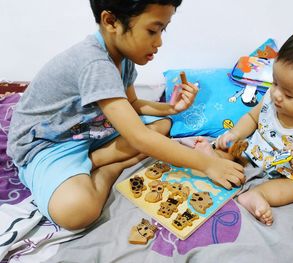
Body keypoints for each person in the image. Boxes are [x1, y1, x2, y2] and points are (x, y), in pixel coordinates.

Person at [7, 0, 244, 230]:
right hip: (49, 144)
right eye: (153, 30)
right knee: (77, 211)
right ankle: (105, 167)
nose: (159, 42)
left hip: (89, 132)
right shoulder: (95, 64)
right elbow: (139, 137)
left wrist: (171, 109)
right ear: (111, 21)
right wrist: (208, 164)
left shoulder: (122, 56)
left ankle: (96, 159)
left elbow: (131, 104)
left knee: (163, 125)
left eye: (163, 30)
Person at [195, 21, 293, 225]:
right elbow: (252, 118)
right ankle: (211, 157)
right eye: (276, 82)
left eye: (288, 94)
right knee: (233, 148)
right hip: (259, 150)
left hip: (292, 171)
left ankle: (257, 195)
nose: (276, 94)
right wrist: (234, 134)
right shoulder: (272, 96)